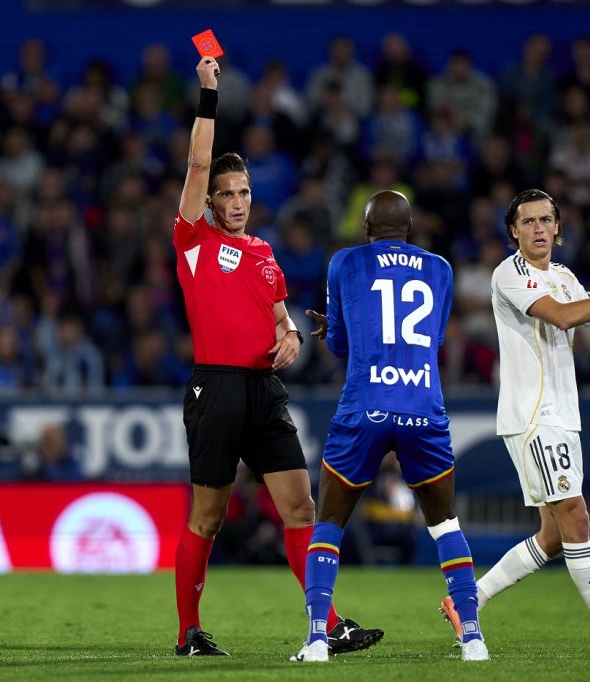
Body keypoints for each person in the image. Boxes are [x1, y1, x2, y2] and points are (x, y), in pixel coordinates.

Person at [172, 56, 381, 657]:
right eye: (226, 194)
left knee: (300, 504)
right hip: (216, 388)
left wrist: (291, 338)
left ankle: (330, 623)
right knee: (208, 517)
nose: (237, 201)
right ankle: (189, 632)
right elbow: (196, 160)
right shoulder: (193, 240)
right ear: (209, 201)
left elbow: (282, 323)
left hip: (264, 390)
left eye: (243, 192)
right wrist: (209, 95)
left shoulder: (264, 252)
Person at [439, 188, 590, 653]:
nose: (539, 229)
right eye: (529, 222)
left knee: (553, 536)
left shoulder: (564, 275)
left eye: (547, 220)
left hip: (563, 414)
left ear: (559, 228)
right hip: (533, 414)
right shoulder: (509, 273)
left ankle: (468, 602)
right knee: (577, 516)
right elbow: (563, 319)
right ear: (514, 232)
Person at [292, 190, 488, 662]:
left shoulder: (345, 262)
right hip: (423, 405)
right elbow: (434, 338)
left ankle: (319, 637)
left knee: (330, 523)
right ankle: (474, 638)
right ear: (410, 226)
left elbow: (339, 343)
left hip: (365, 407)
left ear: (365, 227)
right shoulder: (441, 269)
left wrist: (330, 332)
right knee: (445, 524)